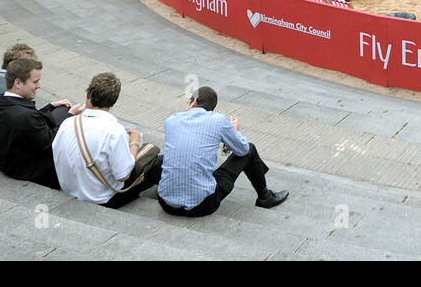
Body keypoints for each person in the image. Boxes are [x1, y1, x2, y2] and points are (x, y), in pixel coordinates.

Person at [157, 86, 288, 217]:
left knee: (171, 158)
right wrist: (234, 131)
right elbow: (242, 150)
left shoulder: (171, 120)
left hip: (166, 204)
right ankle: (265, 197)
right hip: (202, 206)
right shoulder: (218, 120)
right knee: (250, 149)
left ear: (194, 101)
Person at [53, 72, 163, 209]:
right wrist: (134, 142)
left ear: (88, 96)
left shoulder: (67, 123)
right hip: (103, 198)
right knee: (157, 160)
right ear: (113, 102)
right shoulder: (114, 131)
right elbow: (123, 176)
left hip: (69, 189)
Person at [0, 56, 80, 189]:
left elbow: (31, 123)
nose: (39, 86)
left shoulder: (3, 103)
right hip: (30, 170)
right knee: (72, 129)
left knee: (62, 110)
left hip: (10, 162)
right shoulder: (25, 115)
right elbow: (51, 141)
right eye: (35, 82)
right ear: (18, 83)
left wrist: (50, 106)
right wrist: (70, 117)